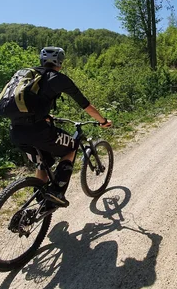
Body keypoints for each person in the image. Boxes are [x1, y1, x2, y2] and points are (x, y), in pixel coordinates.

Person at [9, 46, 112, 207]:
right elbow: (86, 105)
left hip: (16, 131)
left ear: (41, 61)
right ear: (60, 62)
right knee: (71, 147)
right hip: (38, 131)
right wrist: (103, 121)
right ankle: (56, 191)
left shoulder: (29, 76)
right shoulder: (58, 78)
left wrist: (44, 116)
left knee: (45, 160)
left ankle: (39, 202)